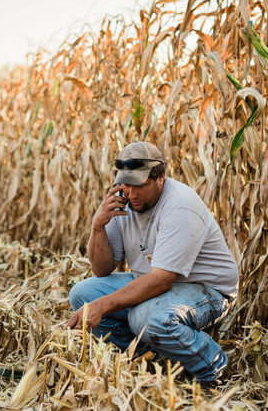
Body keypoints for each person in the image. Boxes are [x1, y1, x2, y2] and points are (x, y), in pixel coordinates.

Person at [67, 141, 238, 386]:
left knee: (144, 317)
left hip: (208, 291)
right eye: (125, 185)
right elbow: (102, 269)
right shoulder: (123, 202)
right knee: (83, 294)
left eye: (141, 186)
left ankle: (213, 369)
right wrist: (98, 226)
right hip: (155, 283)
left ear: (161, 178)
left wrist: (102, 306)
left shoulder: (178, 205)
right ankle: (152, 363)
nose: (132, 194)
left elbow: (161, 280)